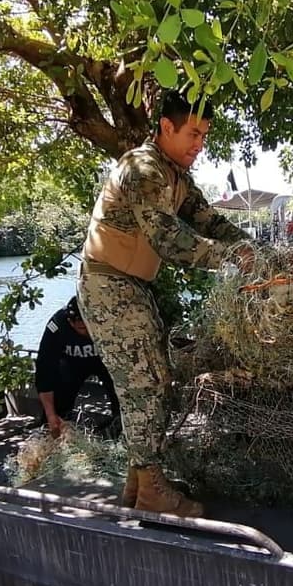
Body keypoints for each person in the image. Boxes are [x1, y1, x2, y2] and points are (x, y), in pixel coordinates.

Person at [77, 90, 253, 516]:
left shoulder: (175, 175)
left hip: (130, 287)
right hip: (108, 286)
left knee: (154, 376)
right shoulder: (143, 168)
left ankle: (139, 488)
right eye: (193, 132)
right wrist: (230, 258)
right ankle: (151, 488)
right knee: (144, 385)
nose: (200, 144)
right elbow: (168, 239)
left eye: (205, 135)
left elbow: (207, 219)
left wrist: (250, 247)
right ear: (166, 127)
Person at [34, 296, 119, 438]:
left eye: (89, 326)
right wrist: (50, 413)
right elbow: (44, 371)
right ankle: (56, 432)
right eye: (81, 328)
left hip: (106, 361)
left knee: (121, 395)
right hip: (72, 363)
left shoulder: (107, 318)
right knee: (59, 400)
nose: (87, 331)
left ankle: (120, 430)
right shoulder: (57, 326)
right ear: (70, 322)